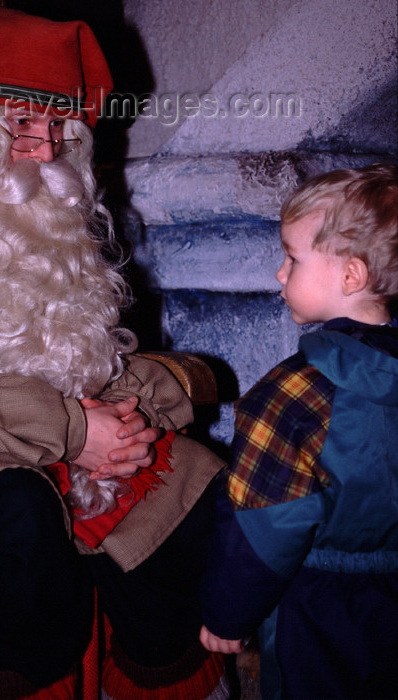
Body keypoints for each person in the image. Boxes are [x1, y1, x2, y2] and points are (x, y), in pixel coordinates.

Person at [0, 3, 228, 699]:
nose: (48, 150)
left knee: (185, 474)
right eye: (25, 123)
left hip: (60, 427)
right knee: (19, 515)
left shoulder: (41, 215)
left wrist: (126, 411)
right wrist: (73, 431)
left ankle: (156, 678)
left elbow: (84, 350)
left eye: (60, 126)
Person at [199, 162, 398, 700]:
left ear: (351, 276)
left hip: (317, 607)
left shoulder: (293, 393)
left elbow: (260, 521)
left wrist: (227, 613)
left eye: (292, 258)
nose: (280, 275)